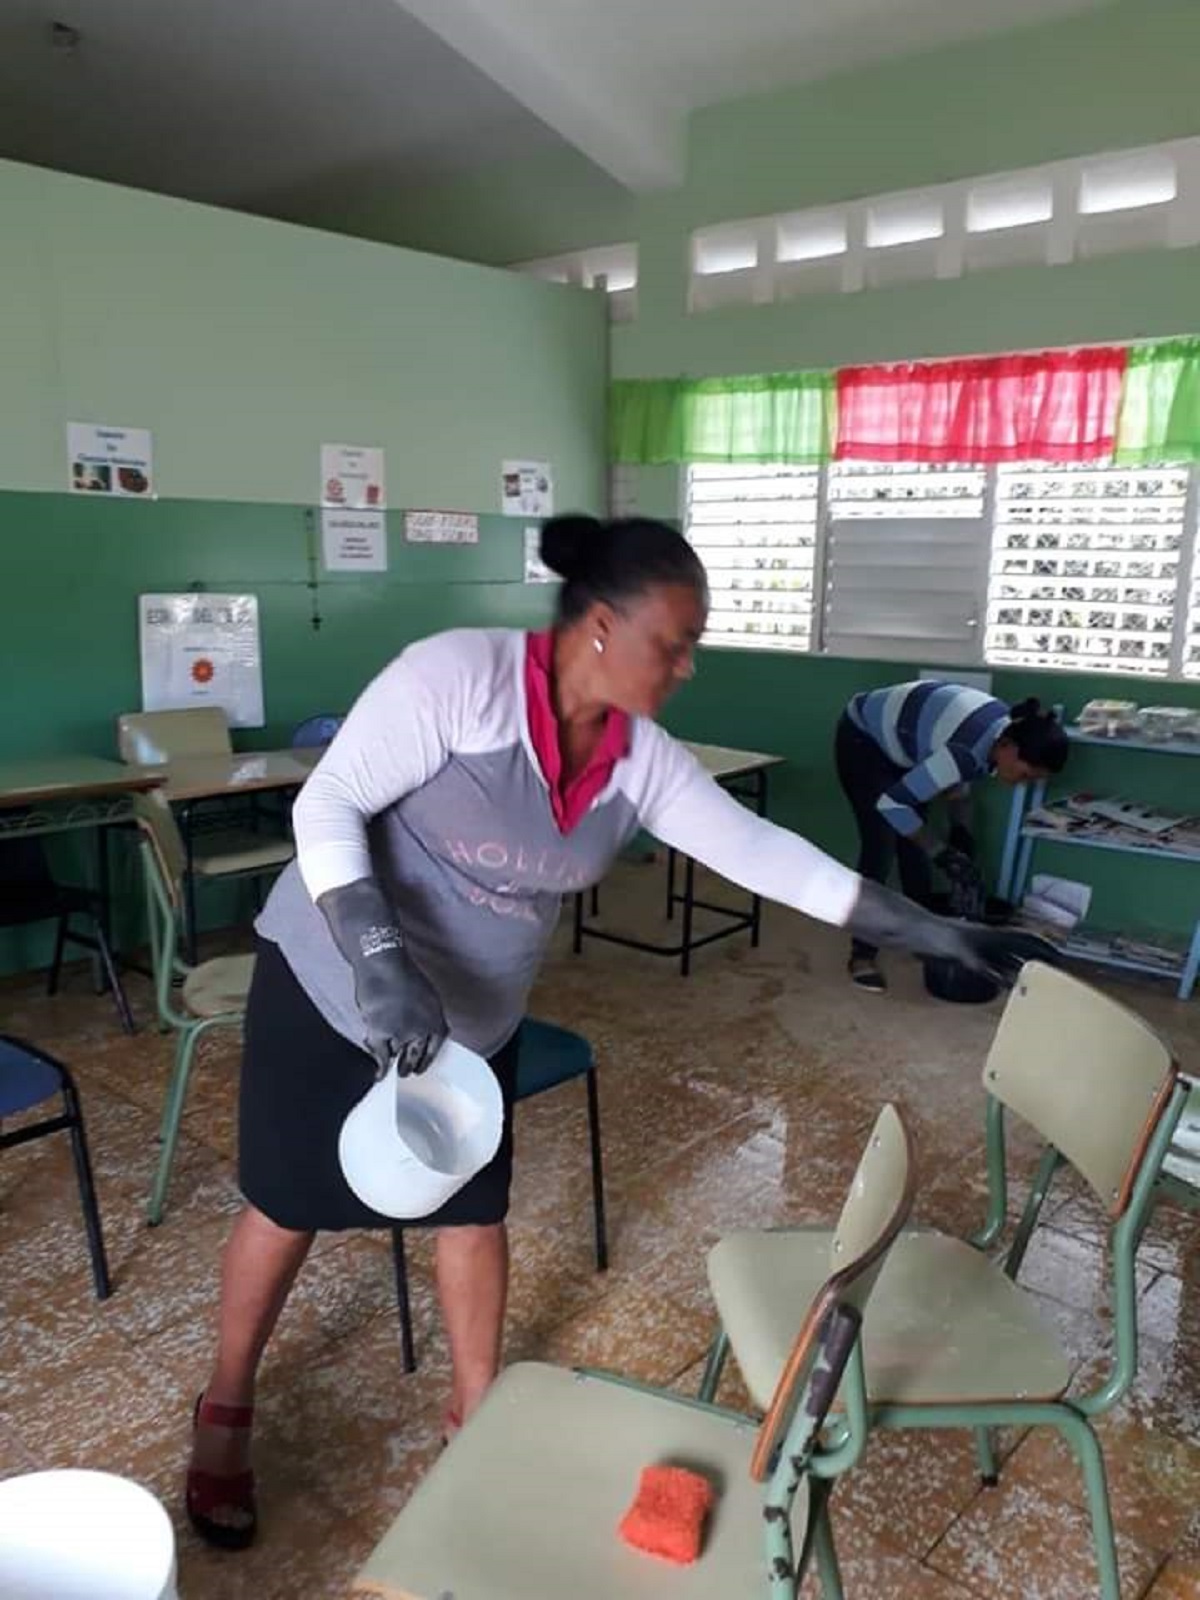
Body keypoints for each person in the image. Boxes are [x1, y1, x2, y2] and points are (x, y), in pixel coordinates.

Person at [184, 515, 1054, 1549]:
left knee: (470, 1206)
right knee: (289, 1200)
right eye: (672, 643)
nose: (686, 667)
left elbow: (766, 854)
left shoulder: (641, 759)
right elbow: (329, 804)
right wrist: (379, 957)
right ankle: (226, 1406)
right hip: (337, 973)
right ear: (600, 624)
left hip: (472, 1010)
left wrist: (926, 924)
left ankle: (478, 1413)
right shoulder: (458, 680)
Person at [834, 679, 1068, 992]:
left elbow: (956, 780)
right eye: (1025, 774)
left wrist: (961, 831)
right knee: (881, 846)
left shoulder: (1002, 732)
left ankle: (922, 938)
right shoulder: (968, 750)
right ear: (1009, 749)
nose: (1023, 783)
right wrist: (940, 852)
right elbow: (893, 805)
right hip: (864, 739)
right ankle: (861, 955)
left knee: (913, 847)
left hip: (904, 744)